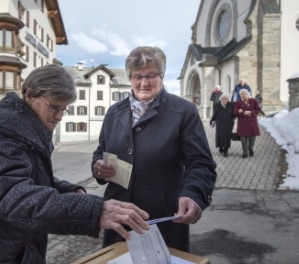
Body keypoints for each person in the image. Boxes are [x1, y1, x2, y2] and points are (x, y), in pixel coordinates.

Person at [0, 64, 150, 263]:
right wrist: (92, 210)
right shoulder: (5, 135)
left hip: (17, 248)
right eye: (54, 106)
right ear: (29, 95)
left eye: (64, 109)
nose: (60, 116)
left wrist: (69, 190)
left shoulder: (28, 129)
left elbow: (33, 178)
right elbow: (10, 195)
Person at [91, 46, 217, 253]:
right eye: (137, 76)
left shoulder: (183, 111)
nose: (144, 82)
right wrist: (97, 166)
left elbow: (201, 164)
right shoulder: (114, 112)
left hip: (162, 217)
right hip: (119, 214)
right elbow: (101, 150)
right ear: (130, 78)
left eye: (151, 75)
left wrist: (194, 194)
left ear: (162, 76)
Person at [233, 89, 261, 158]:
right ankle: (245, 152)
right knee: (243, 138)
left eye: (244, 93)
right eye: (242, 94)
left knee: (252, 137)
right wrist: (243, 113)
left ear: (247, 94)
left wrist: (251, 112)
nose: (243, 95)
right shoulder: (237, 103)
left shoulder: (253, 101)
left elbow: (258, 109)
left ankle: (250, 148)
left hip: (252, 122)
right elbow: (235, 112)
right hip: (242, 122)